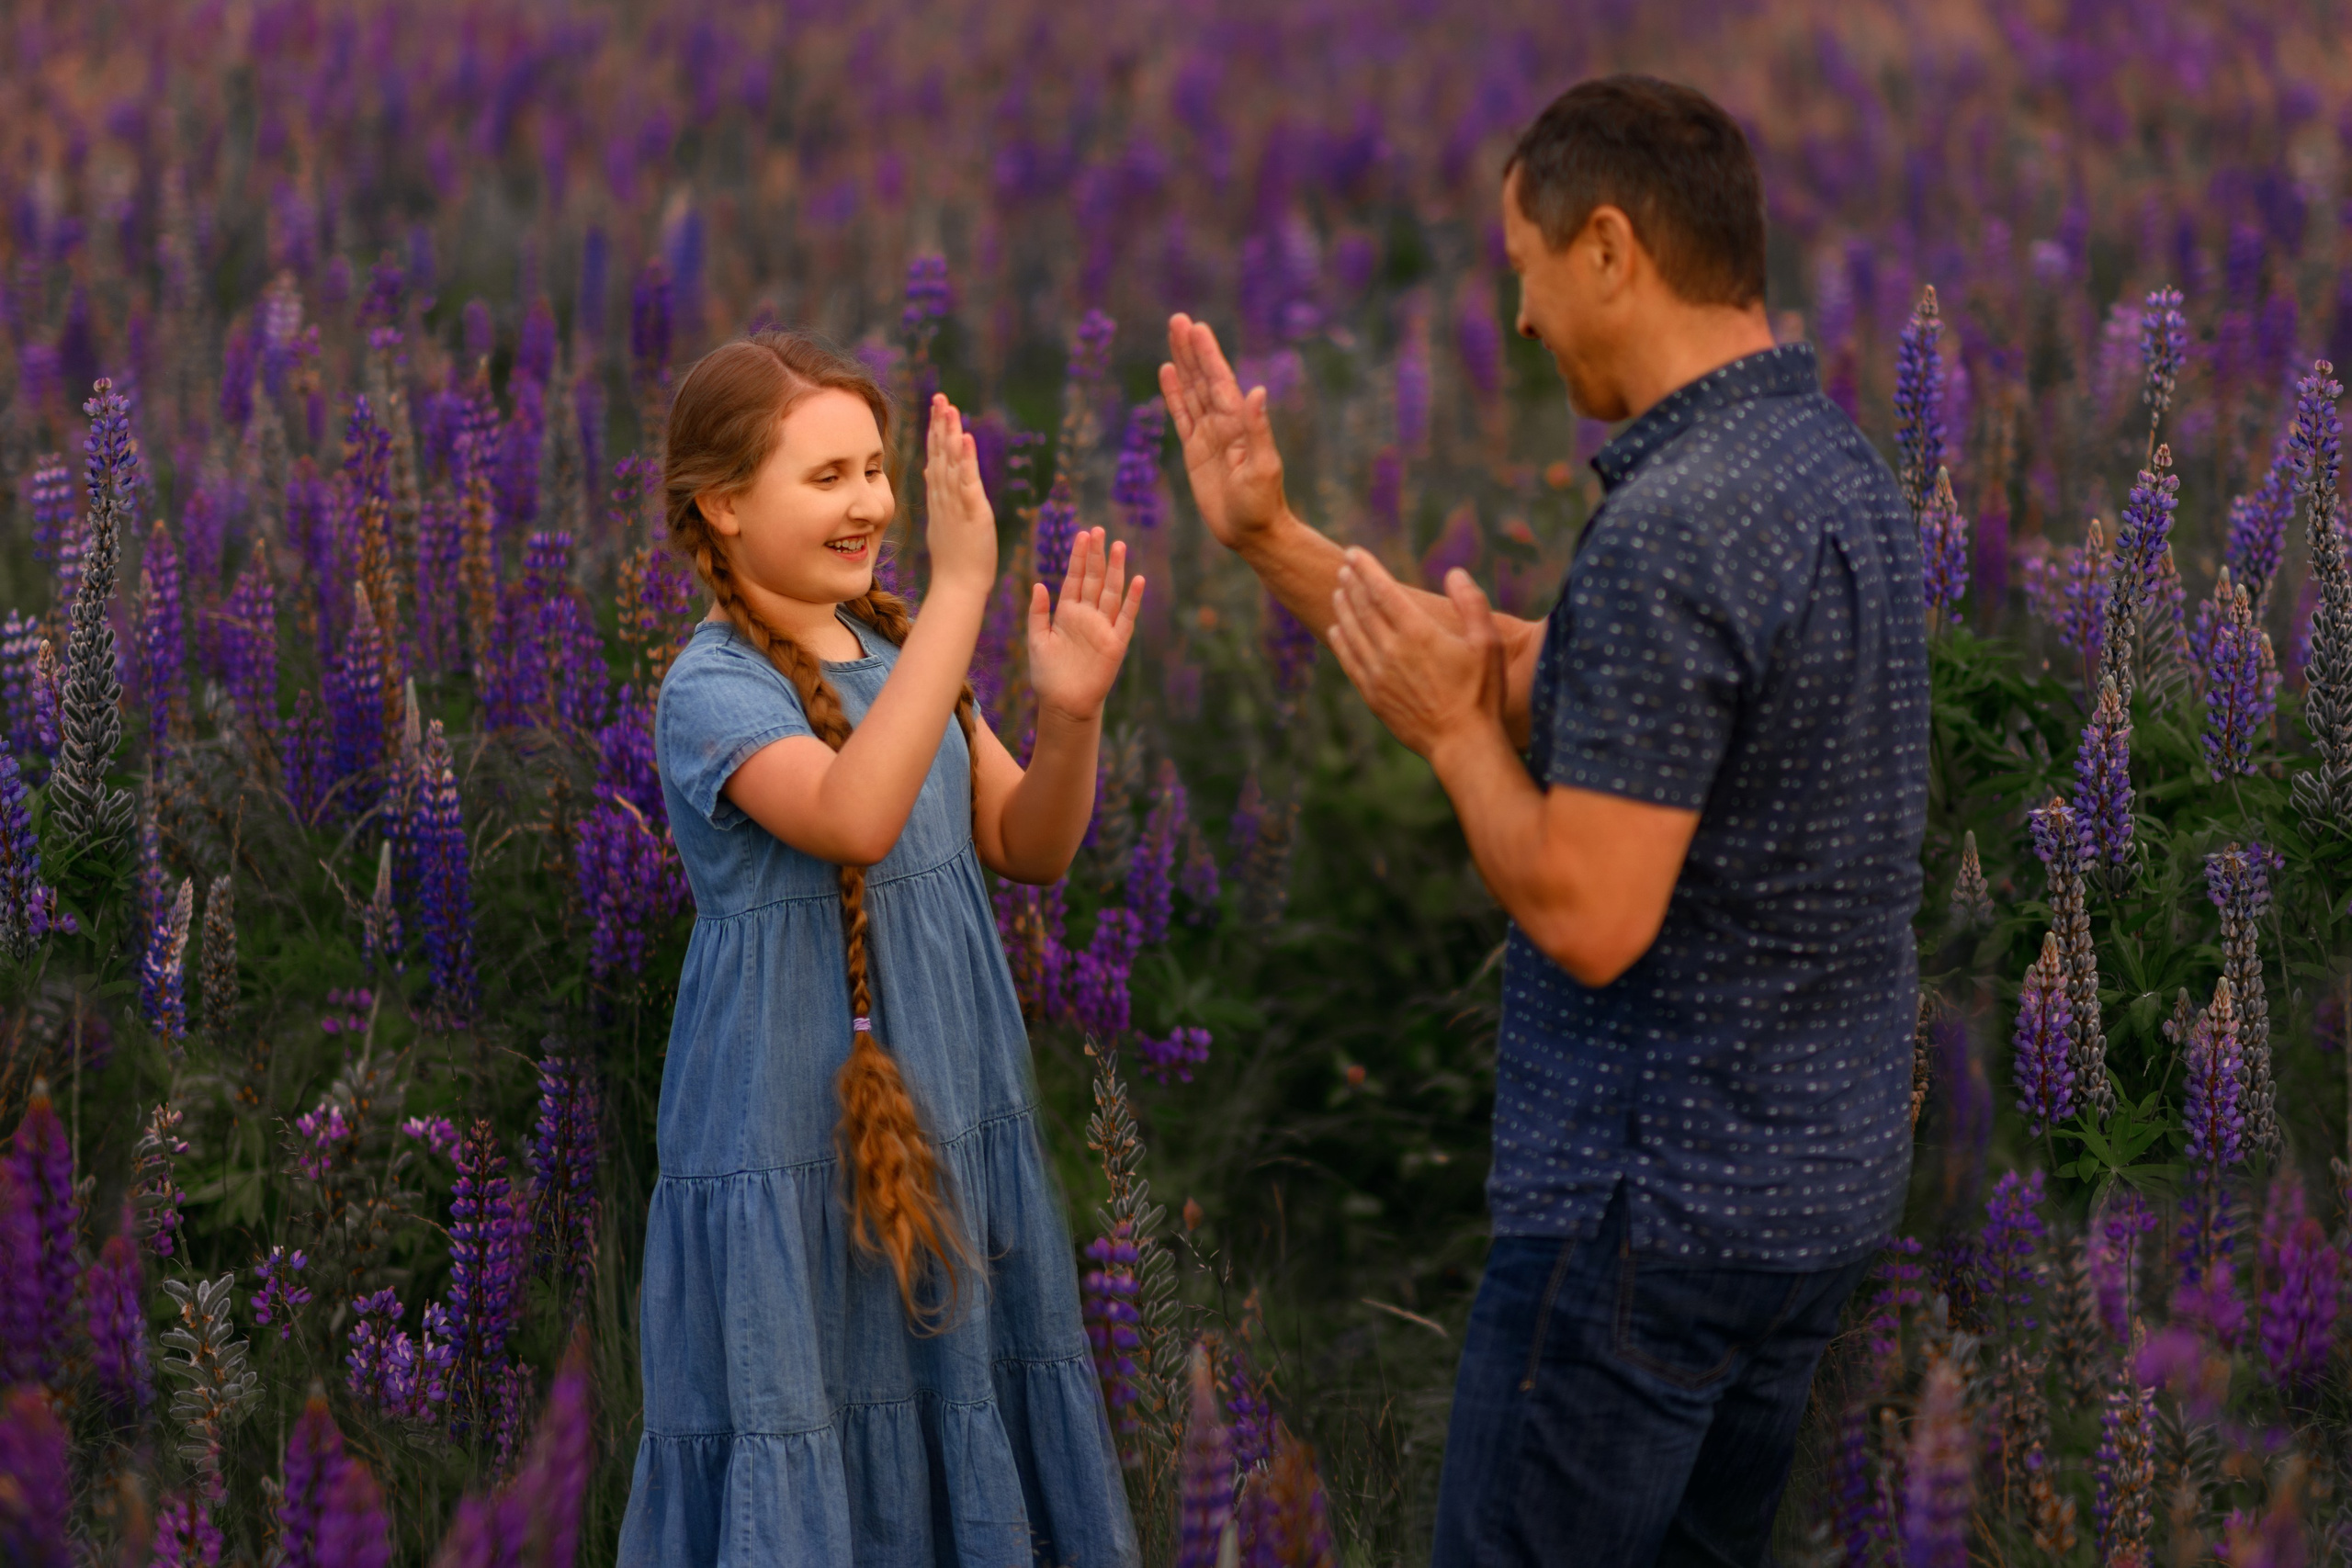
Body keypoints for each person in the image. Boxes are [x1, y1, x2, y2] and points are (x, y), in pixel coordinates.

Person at [1161, 74, 1928, 1567]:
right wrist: (1274, 539)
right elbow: (1551, 676)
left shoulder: (1671, 530)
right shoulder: (1832, 469)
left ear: (1608, 248)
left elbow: (1587, 912)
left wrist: (1451, 741)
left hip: (1645, 1225)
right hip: (1803, 1206)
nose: (1517, 321)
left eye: (1522, 270)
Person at [618, 330, 1143, 1566]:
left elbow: (1029, 841)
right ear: (727, 505)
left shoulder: (901, 656)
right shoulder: (710, 689)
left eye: (875, 469)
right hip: (788, 1135)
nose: (868, 503)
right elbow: (853, 813)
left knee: (955, 1387)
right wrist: (963, 594)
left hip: (946, 1104)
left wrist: (1072, 714)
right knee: (809, 1413)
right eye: (827, 477)